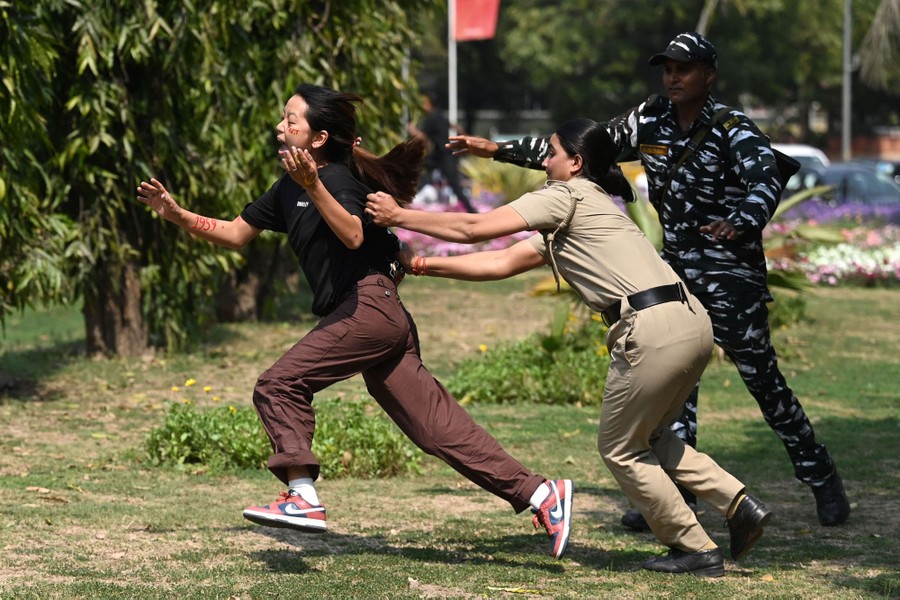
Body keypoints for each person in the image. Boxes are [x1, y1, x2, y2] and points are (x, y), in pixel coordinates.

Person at [136, 83, 573, 559]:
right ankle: (540, 494)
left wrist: (313, 186)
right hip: (380, 318)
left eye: (291, 120)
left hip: (368, 307)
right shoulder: (289, 187)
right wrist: (178, 215)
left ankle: (302, 498)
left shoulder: (340, 182)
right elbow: (237, 234)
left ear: (319, 138)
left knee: (278, 385)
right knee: (434, 429)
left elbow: (352, 235)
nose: (281, 127)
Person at [444, 32, 850, 532]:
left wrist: (740, 221)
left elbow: (765, 179)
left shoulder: (732, 127)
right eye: (667, 69)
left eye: (685, 68)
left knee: (764, 383)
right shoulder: (649, 119)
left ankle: (821, 477)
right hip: (675, 271)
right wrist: (496, 149)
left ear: (710, 74)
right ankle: (673, 497)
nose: (673, 77)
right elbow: (583, 149)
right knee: (676, 389)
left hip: (730, 275)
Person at [366, 118, 773, 576]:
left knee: (621, 449)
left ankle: (694, 547)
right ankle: (738, 504)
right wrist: (420, 264)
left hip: (651, 328)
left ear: (576, 163)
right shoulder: (591, 205)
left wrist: (400, 216)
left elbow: (475, 229)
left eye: (553, 152)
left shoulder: (564, 196)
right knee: (653, 437)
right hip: (691, 321)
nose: (543, 159)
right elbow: (502, 261)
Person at [407, 91, 477, 213]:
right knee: (422, 177)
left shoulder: (431, 118)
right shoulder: (440, 115)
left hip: (444, 157)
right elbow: (454, 126)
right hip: (439, 156)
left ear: (429, 104)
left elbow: (422, 137)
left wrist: (411, 129)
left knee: (453, 185)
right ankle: (404, 202)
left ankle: (472, 212)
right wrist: (466, 136)